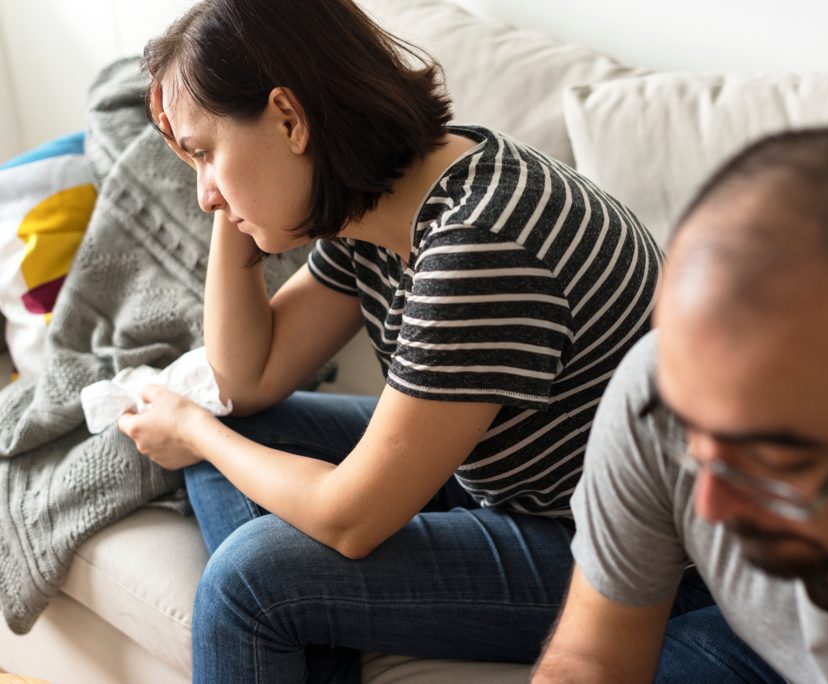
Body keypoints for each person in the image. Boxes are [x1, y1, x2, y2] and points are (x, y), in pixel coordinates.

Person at [114, 0, 670, 681]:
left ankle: (300, 620)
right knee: (241, 432)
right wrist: (233, 199)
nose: (201, 195)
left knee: (250, 576)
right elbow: (246, 377)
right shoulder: (386, 199)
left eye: (203, 153)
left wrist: (195, 431)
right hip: (507, 488)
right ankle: (315, 629)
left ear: (289, 119)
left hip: (611, 557)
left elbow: (351, 519)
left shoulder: (481, 243)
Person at [534, 127, 828, 682]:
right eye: (689, 438)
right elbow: (591, 661)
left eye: (777, 459)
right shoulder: (669, 390)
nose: (710, 508)